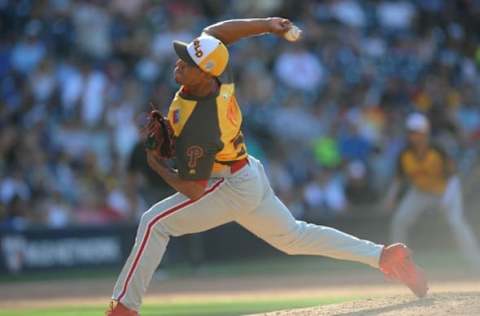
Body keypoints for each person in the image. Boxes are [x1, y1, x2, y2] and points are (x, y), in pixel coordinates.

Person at [106, 18, 428, 316]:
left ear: (205, 73)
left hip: (227, 184)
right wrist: (267, 25)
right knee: (294, 237)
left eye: (189, 62)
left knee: (153, 223)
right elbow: (216, 34)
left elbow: (194, 189)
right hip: (245, 173)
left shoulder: (202, 123)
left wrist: (156, 163)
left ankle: (123, 309)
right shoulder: (220, 76)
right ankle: (384, 256)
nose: (180, 62)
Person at [385, 113, 480, 268]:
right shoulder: (405, 154)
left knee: (456, 222)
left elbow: (452, 177)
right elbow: (399, 178)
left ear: (425, 133)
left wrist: (447, 199)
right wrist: (390, 197)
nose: (413, 136)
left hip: (446, 190)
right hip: (420, 192)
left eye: (417, 132)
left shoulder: (437, 150)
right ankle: (398, 262)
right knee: (400, 220)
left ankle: (476, 262)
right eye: (411, 132)